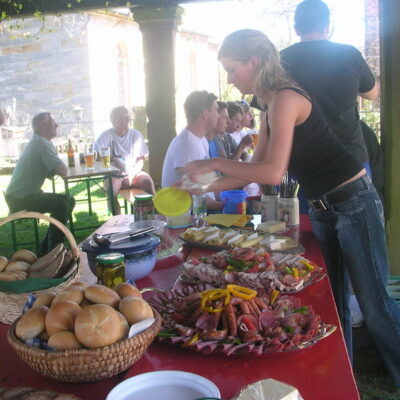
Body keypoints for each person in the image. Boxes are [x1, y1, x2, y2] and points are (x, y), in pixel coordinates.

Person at [182, 29, 400, 386]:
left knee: (374, 308)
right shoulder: (269, 108)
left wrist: (212, 164)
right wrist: (197, 185)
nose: (230, 79)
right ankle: (338, 381)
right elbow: (254, 168)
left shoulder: (286, 98)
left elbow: (272, 171)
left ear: (254, 62)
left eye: (232, 69)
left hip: (354, 202)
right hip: (324, 209)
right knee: (336, 304)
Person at [280, 0, 378, 172]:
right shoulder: (350, 54)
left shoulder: (282, 60)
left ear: (296, 29)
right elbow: (371, 94)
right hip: (350, 158)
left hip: (303, 160)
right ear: (327, 26)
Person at [5, 112, 75, 255]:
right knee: (61, 204)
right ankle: (54, 251)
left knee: (68, 200)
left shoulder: (39, 142)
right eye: (52, 122)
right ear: (42, 126)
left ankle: (47, 248)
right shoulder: (41, 143)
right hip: (20, 199)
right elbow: (62, 170)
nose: (56, 125)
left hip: (18, 195)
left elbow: (51, 172)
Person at [161, 90, 222, 210]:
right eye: (216, 110)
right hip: (185, 219)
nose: (218, 115)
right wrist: (221, 206)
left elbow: (204, 182)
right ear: (205, 114)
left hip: (201, 213)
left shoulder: (201, 140)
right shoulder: (186, 144)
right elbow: (192, 190)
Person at [94, 106, 155, 214]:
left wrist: (132, 172)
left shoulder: (135, 135)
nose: (126, 121)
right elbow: (96, 153)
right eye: (122, 118)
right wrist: (113, 158)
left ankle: (155, 214)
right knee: (111, 189)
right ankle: (117, 221)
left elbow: (141, 159)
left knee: (147, 181)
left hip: (133, 172)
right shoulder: (106, 135)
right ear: (113, 120)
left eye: (127, 118)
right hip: (113, 174)